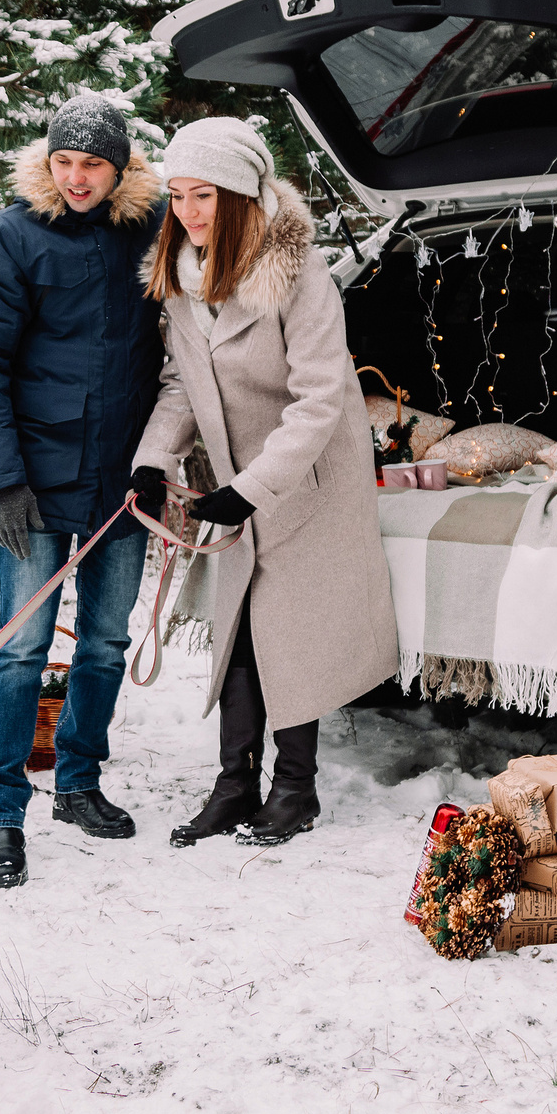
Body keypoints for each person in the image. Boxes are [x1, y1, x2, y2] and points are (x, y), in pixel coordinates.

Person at [128, 118, 397, 847]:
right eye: (178, 195)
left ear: (243, 193)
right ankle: (233, 787)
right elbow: (181, 383)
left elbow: (320, 400)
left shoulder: (301, 277)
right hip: (237, 481)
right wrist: (154, 463)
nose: (187, 212)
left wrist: (250, 489)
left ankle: (295, 790)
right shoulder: (184, 275)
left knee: (289, 632)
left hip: (308, 477)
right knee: (237, 631)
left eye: (204, 195)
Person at [0, 95, 166, 889]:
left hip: (125, 478)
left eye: (93, 164)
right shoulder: (9, 238)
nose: (76, 178)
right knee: (20, 649)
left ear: (121, 168)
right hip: (34, 481)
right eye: (64, 162)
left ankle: (77, 782)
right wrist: (2, 481)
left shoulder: (151, 230)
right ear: (48, 162)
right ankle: (2, 810)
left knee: (105, 641)